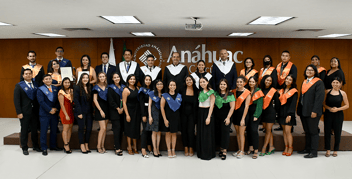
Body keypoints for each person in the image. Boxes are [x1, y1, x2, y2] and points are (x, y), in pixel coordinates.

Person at [297, 64, 325, 158]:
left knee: (313, 132)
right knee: (307, 131)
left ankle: (313, 152)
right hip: (304, 111)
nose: (309, 71)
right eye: (307, 70)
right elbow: (302, 97)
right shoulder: (304, 81)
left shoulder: (318, 82)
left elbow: (319, 98)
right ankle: (307, 149)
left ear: (315, 72)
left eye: (311, 70)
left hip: (313, 112)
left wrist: (315, 111)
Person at [14, 69, 42, 155]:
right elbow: (16, 100)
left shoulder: (36, 84)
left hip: (35, 111)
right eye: (26, 74)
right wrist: (19, 112)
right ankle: (24, 147)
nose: (28, 75)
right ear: (23, 75)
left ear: (32, 75)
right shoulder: (19, 86)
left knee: (34, 130)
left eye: (30, 74)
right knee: (24, 130)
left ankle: (35, 146)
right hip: (24, 112)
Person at [323, 77, 349, 157]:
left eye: (337, 82)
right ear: (331, 83)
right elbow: (323, 103)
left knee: (337, 132)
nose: (335, 84)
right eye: (334, 82)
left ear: (340, 84)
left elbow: (347, 105)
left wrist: (338, 109)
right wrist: (329, 108)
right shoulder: (327, 92)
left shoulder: (343, 93)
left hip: (338, 114)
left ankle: (335, 150)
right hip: (328, 113)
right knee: (327, 131)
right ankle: (328, 149)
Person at [37, 74, 61, 156]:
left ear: (52, 80)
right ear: (43, 81)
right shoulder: (40, 89)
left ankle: (53, 146)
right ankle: (44, 148)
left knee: (54, 130)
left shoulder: (55, 88)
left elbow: (58, 100)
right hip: (44, 113)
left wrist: (56, 109)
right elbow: (41, 102)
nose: (48, 80)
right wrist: (49, 109)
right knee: (44, 131)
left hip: (54, 113)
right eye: (46, 79)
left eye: (49, 79)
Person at [274, 50, 297, 131]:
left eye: (286, 56)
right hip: (280, 90)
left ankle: (290, 126)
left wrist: (287, 88)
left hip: (288, 89)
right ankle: (281, 125)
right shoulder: (278, 66)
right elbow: (275, 78)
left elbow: (293, 79)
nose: (284, 57)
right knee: (281, 108)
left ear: (289, 57)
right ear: (281, 56)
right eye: (283, 55)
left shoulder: (292, 66)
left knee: (288, 107)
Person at [214, 79, 235, 160]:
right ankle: (220, 149)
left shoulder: (230, 95)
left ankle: (224, 151)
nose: (222, 86)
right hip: (217, 117)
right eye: (221, 84)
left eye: (224, 84)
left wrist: (228, 118)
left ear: (227, 86)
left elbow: (232, 107)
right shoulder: (216, 94)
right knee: (218, 133)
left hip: (226, 117)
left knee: (225, 134)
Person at [160, 80, 182, 158]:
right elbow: (162, 108)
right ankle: (169, 150)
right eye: (171, 85)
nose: (172, 86)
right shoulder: (165, 95)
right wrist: (165, 119)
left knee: (174, 133)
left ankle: (173, 149)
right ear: (168, 86)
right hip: (167, 117)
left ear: (176, 86)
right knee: (168, 133)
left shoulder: (179, 95)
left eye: (174, 85)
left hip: (176, 117)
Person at [278, 74, 298, 156]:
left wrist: (290, 115)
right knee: (284, 131)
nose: (288, 81)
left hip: (288, 114)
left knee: (288, 131)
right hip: (282, 113)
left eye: (290, 80)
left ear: (292, 82)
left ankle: (290, 147)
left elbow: (293, 104)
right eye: (287, 79)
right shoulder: (282, 90)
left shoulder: (294, 91)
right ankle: (286, 147)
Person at [260, 75, 280, 156]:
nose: (268, 82)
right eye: (267, 80)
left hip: (270, 112)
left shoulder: (273, 91)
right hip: (263, 112)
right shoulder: (261, 89)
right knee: (267, 130)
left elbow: (278, 103)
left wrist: (277, 114)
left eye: (270, 81)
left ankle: (264, 148)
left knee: (268, 130)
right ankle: (271, 146)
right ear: (264, 80)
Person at [231, 76, 251, 159]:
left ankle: (242, 151)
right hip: (235, 115)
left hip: (243, 116)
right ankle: (239, 150)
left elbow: (246, 107)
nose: (239, 83)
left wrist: (243, 119)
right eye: (237, 82)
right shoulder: (234, 92)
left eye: (241, 82)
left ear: (244, 83)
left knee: (242, 134)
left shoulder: (247, 92)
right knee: (238, 133)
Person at [197, 77, 216, 160]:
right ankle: (201, 153)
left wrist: (208, 117)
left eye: (204, 82)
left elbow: (212, 105)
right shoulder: (200, 91)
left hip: (207, 112)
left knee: (207, 134)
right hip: (200, 113)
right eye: (201, 82)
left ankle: (208, 154)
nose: (202, 83)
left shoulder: (211, 92)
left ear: (207, 82)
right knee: (201, 133)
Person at [74, 73, 93, 154]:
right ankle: (82, 145)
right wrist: (79, 112)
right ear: (81, 79)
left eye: (87, 78)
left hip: (89, 111)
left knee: (89, 128)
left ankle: (86, 144)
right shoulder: (77, 87)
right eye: (83, 78)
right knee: (81, 129)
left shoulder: (90, 87)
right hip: (81, 111)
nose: (85, 79)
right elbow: (76, 101)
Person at [245, 76, 264, 159]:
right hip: (247, 113)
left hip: (255, 113)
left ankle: (256, 150)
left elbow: (260, 105)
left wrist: (256, 115)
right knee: (248, 130)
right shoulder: (247, 91)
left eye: (253, 82)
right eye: (250, 82)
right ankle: (250, 147)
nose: (251, 83)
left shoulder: (258, 91)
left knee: (254, 130)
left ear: (256, 82)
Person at [122, 74, 141, 155]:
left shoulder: (137, 88)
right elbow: (124, 103)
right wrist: (127, 115)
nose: (132, 80)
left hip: (137, 112)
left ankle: (135, 147)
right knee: (129, 130)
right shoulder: (126, 90)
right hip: (129, 111)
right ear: (128, 80)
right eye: (131, 79)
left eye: (134, 79)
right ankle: (129, 147)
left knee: (136, 129)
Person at [146, 80, 165, 157]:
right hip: (154, 114)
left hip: (161, 114)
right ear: (155, 85)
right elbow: (149, 105)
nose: (160, 85)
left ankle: (158, 148)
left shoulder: (164, 94)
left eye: (161, 84)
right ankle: (154, 149)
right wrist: (150, 116)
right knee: (154, 132)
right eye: (158, 84)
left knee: (159, 132)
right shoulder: (152, 93)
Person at [180, 75, 198, 156]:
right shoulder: (181, 90)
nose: (188, 81)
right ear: (185, 81)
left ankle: (191, 147)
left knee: (191, 131)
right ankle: (185, 147)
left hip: (192, 114)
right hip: (183, 113)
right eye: (187, 80)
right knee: (184, 131)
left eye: (190, 80)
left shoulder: (196, 90)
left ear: (193, 81)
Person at [108, 73, 125, 156]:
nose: (116, 78)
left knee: (121, 129)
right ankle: (117, 148)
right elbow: (111, 100)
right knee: (117, 129)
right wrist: (118, 108)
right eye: (115, 77)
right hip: (115, 112)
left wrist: (123, 108)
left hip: (123, 111)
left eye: (118, 77)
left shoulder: (123, 87)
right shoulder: (110, 88)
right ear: (112, 79)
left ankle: (118, 145)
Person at [93, 72, 110, 153]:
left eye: (103, 76)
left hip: (107, 109)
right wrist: (100, 110)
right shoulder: (96, 87)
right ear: (98, 78)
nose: (102, 78)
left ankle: (103, 146)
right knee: (102, 128)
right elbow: (95, 100)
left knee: (105, 129)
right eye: (100, 76)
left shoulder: (107, 86)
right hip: (100, 109)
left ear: (105, 77)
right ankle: (98, 146)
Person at [58, 77, 74, 154]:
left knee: (70, 127)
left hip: (71, 111)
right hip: (65, 112)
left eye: (68, 82)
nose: (67, 84)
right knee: (66, 128)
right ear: (63, 83)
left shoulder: (71, 91)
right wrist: (66, 115)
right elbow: (62, 105)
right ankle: (66, 144)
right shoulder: (61, 92)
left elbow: (72, 101)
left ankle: (68, 141)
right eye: (65, 82)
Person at [139, 75, 153, 158]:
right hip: (144, 110)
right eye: (146, 80)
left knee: (150, 130)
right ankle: (143, 149)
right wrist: (143, 115)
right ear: (144, 80)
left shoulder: (152, 90)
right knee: (144, 130)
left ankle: (149, 146)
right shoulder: (141, 90)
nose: (148, 81)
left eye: (149, 80)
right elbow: (141, 103)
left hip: (152, 111)